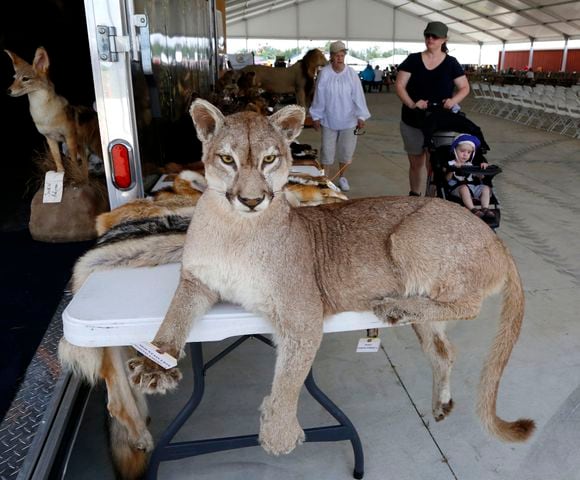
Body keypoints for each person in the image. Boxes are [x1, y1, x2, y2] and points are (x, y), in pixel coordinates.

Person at [395, 21, 470, 197]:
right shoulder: (413, 59)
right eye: (427, 35)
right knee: (416, 163)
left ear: (444, 39)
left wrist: (453, 100)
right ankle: (414, 195)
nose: (430, 39)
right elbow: (399, 85)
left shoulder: (451, 63)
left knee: (436, 163)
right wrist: (412, 104)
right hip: (413, 120)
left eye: (434, 36)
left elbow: (465, 87)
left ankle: (432, 199)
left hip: (440, 122)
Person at [310, 40, 371, 192]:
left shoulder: (351, 74)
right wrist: (316, 116)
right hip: (329, 120)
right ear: (331, 57)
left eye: (342, 55)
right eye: (336, 55)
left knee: (346, 151)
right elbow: (319, 96)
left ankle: (342, 177)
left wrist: (361, 116)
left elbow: (358, 96)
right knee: (327, 152)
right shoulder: (324, 73)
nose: (339, 58)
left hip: (349, 120)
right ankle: (326, 181)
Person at [446, 134, 494, 219]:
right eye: (462, 151)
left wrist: (482, 169)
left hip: (472, 188)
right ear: (454, 151)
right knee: (464, 188)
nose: (465, 154)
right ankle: (473, 209)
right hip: (457, 189)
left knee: (486, 188)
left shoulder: (470, 165)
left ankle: (485, 208)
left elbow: (481, 177)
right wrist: (453, 169)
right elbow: (446, 179)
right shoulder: (451, 164)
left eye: (469, 152)